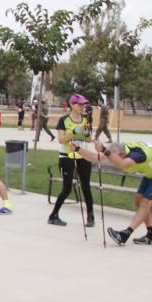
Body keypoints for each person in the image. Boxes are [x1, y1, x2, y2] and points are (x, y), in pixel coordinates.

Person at [74, 140, 152, 246]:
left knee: (146, 203)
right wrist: (78, 149)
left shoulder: (137, 154)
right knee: (138, 199)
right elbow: (95, 158)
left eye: (114, 160)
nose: (113, 163)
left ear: (122, 154)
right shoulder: (119, 150)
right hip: (151, 173)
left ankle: (124, 235)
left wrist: (104, 150)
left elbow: (123, 164)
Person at [47, 94, 94, 228]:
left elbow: (89, 140)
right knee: (67, 188)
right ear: (72, 105)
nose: (82, 107)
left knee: (86, 186)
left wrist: (86, 134)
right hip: (67, 156)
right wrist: (74, 132)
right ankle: (54, 215)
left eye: (83, 105)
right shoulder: (64, 120)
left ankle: (90, 216)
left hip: (83, 156)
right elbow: (61, 140)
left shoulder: (86, 120)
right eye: (79, 104)